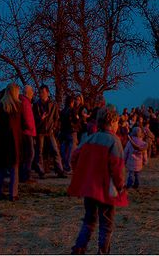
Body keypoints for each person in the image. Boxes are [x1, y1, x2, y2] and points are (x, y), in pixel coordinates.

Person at [68, 106, 128, 254]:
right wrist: (120, 186)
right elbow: (117, 167)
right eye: (117, 122)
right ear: (113, 121)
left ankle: (79, 249)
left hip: (89, 189)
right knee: (106, 224)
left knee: (89, 221)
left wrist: (82, 174)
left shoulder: (90, 138)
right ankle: (103, 252)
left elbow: (74, 156)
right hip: (106, 190)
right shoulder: (114, 141)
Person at [0, 83, 23, 201]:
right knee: (14, 168)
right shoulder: (19, 106)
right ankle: (13, 194)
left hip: (2, 141)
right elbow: (21, 125)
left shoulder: (0, 106)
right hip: (13, 141)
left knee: (0, 168)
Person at [33, 85, 66, 179]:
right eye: (40, 93)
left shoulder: (53, 104)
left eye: (43, 92)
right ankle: (41, 172)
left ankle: (60, 171)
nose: (41, 94)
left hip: (50, 131)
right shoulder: (36, 104)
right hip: (40, 130)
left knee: (55, 150)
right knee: (39, 151)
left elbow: (57, 118)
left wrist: (54, 128)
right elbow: (34, 118)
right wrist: (40, 118)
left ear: (47, 93)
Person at [60, 94, 82, 173]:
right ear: (72, 102)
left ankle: (64, 164)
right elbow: (76, 120)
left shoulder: (63, 111)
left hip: (63, 131)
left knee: (64, 149)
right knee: (71, 150)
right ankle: (68, 166)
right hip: (71, 131)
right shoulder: (72, 110)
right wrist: (78, 119)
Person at [20, 86, 37, 183]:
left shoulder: (25, 102)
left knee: (28, 154)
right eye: (32, 92)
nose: (33, 94)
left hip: (27, 131)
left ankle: (25, 174)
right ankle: (26, 175)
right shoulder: (25, 103)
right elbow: (28, 118)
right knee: (30, 154)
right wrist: (30, 127)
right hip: (27, 132)